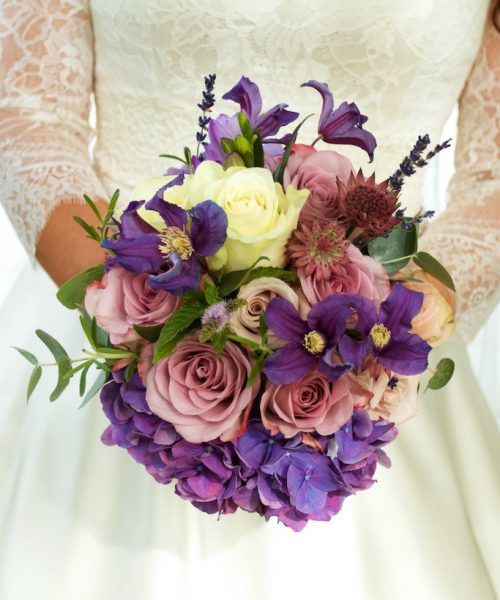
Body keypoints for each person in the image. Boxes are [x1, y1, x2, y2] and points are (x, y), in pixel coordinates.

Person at [0, 1, 499, 599]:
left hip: (374, 366)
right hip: (120, 338)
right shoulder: (131, 316)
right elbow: (32, 115)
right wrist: (137, 314)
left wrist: (378, 336)